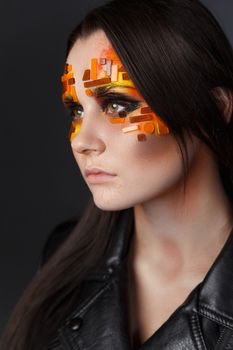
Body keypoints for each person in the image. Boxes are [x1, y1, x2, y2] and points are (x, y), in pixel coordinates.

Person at [1, 0, 233, 349]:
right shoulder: (63, 261)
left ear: (214, 109)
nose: (81, 140)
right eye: (76, 110)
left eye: (117, 105)